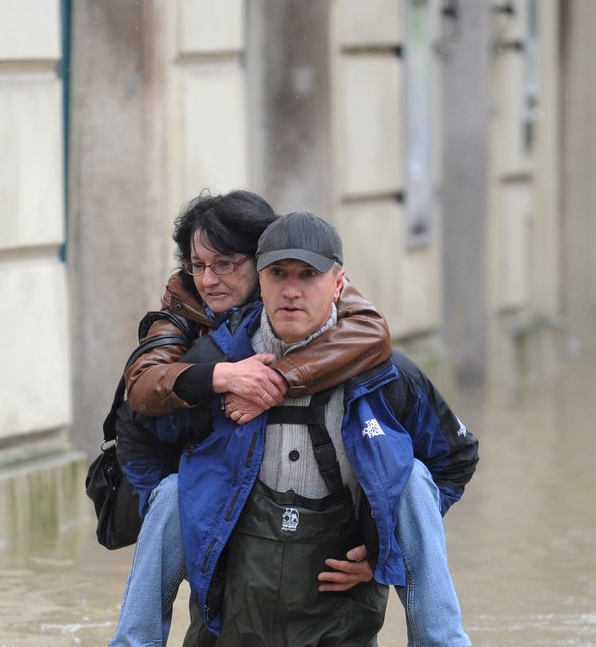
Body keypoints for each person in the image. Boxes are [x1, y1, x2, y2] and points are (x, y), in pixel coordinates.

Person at [175, 212, 479, 646]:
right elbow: (144, 452)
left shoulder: (389, 377)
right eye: (278, 273)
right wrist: (196, 545)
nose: (292, 290)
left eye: (309, 275)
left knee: (412, 478)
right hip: (230, 626)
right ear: (259, 282)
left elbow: (456, 459)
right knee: (170, 492)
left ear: (339, 284)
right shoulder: (212, 366)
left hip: (341, 623)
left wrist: (382, 551)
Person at [110, 191, 393, 647]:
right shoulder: (180, 313)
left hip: (289, 513)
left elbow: (372, 331)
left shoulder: (305, 296)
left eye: (225, 264)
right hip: (180, 479)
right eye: (197, 265)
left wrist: (276, 380)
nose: (208, 279)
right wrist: (222, 375)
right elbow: (143, 385)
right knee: (169, 496)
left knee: (414, 480)